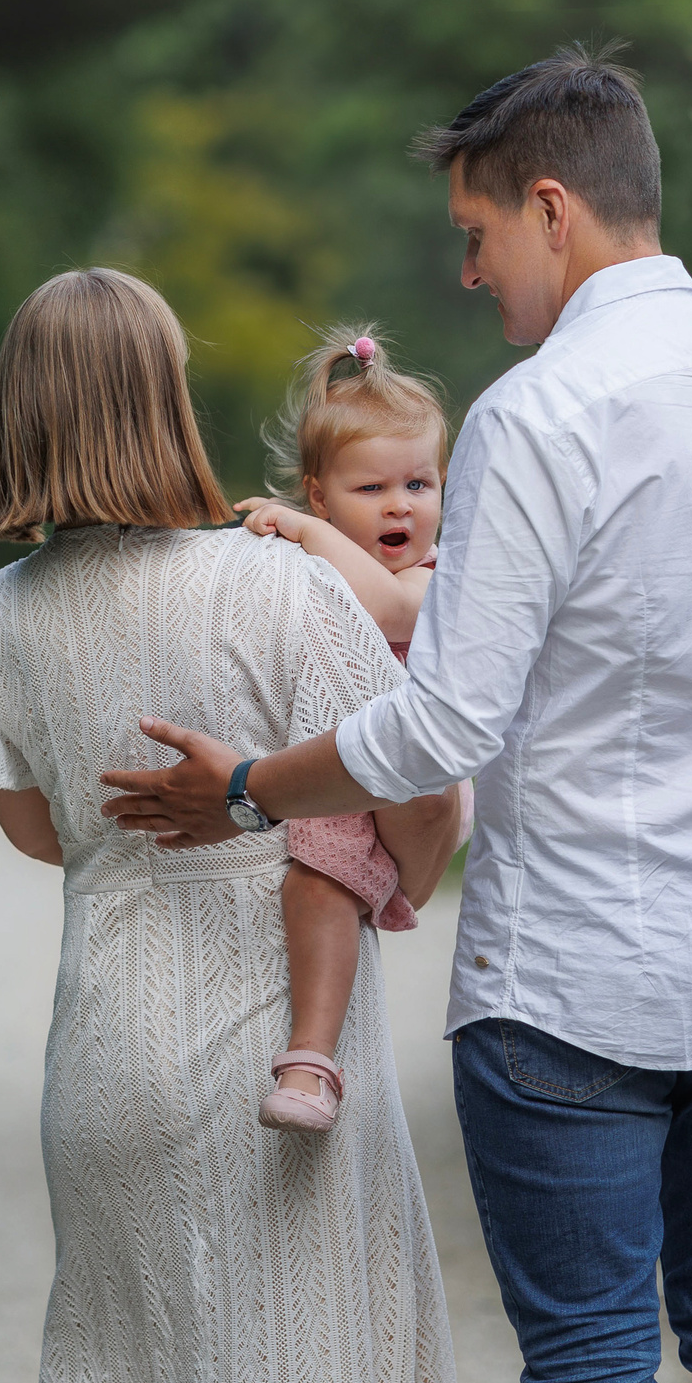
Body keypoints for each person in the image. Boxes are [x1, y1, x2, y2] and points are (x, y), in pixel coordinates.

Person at [100, 46, 692, 1383]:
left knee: (591, 1354)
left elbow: (443, 722)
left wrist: (246, 790)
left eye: (477, 235)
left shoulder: (539, 414)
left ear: (554, 208)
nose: (470, 273)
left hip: (577, 981)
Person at [0, 267, 466, 1383]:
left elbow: (41, 832)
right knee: (312, 1351)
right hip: (285, 1045)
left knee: (137, 1357)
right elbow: (422, 797)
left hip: (105, 1050)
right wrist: (381, 873)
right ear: (167, 396)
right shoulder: (288, 586)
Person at [229, 327, 452, 1133]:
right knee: (311, 874)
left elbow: (384, 610)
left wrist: (306, 533)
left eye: (420, 483)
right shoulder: (305, 568)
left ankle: (311, 1059)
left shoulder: (440, 581)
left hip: (420, 772)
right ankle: (312, 1053)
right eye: (373, 489)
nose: (402, 504)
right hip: (348, 768)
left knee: (318, 873)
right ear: (322, 491)